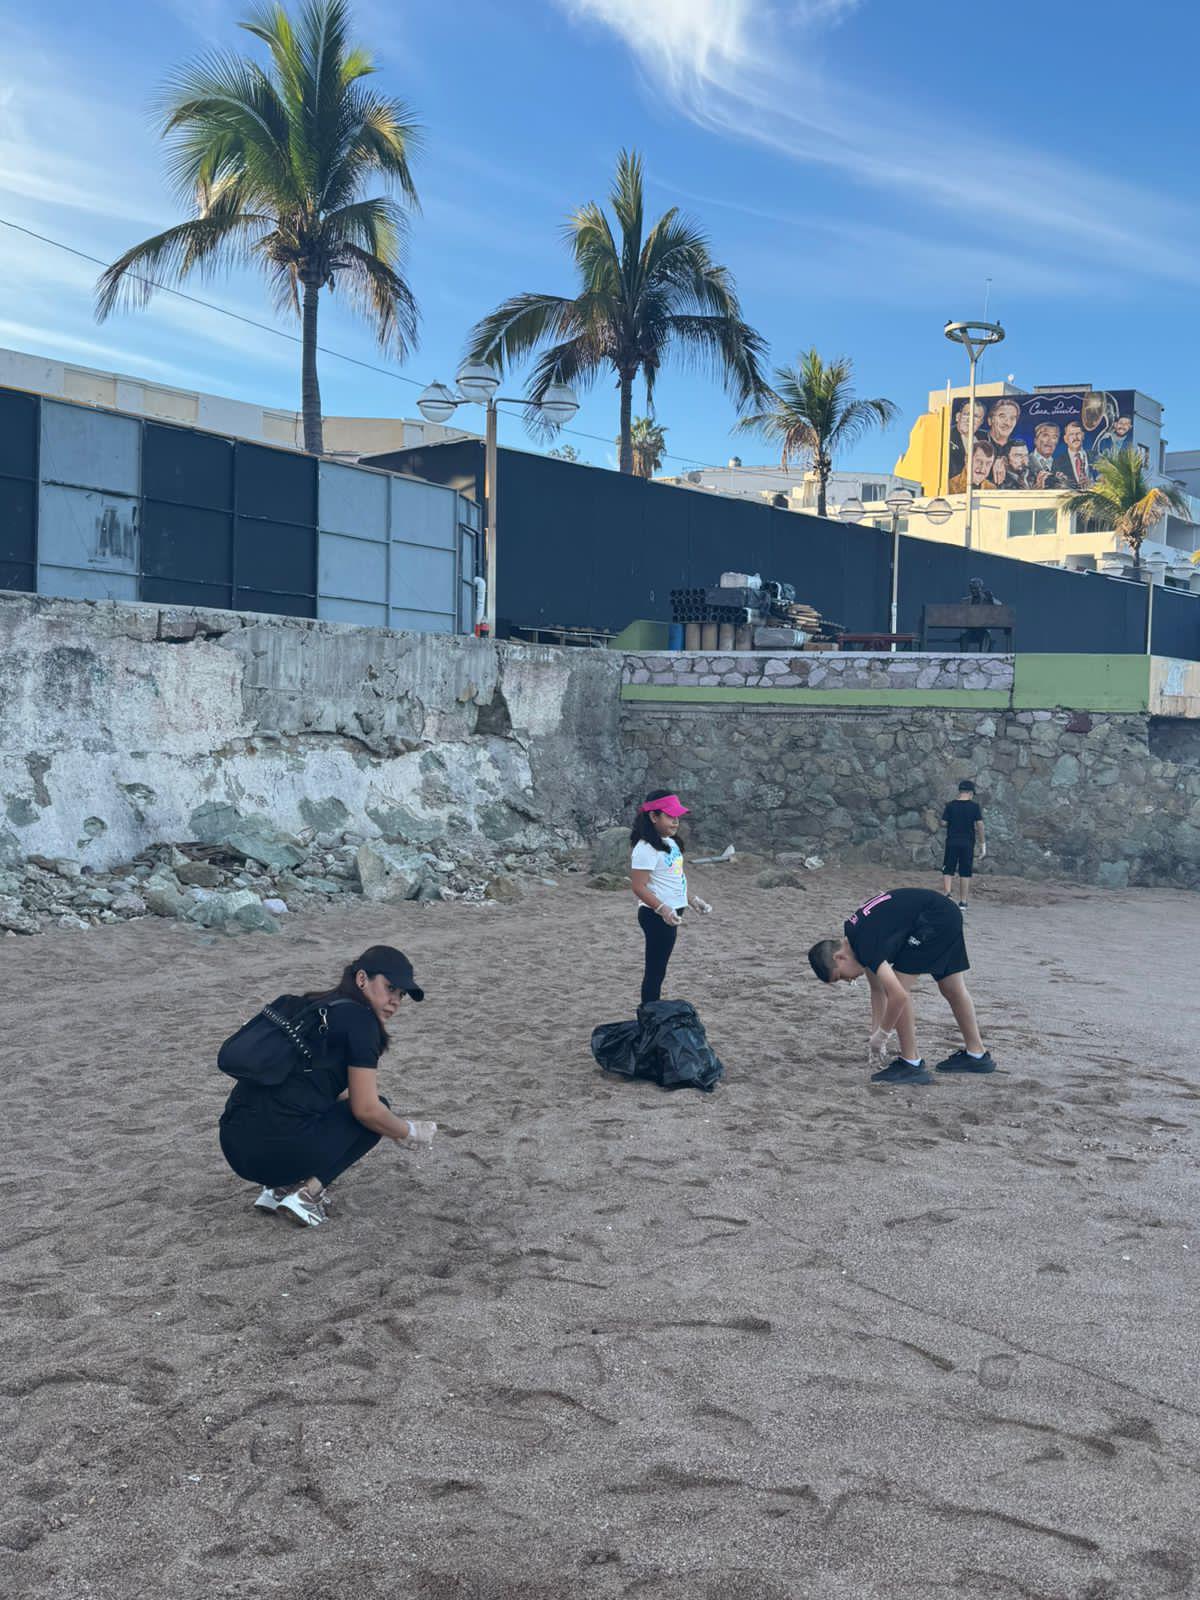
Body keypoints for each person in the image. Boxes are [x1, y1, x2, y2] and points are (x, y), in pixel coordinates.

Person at [218, 945, 435, 1228]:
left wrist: (390, 1127)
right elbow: (366, 1110)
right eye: (390, 987)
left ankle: (278, 1189)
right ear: (361, 979)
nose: (395, 1000)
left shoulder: (308, 1004)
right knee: (377, 1111)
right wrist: (408, 1132)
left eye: (401, 994)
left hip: (233, 1142)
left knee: (347, 1111)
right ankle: (307, 1195)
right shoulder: (363, 1023)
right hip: (272, 1153)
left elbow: (330, 1089)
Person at [807, 888, 996, 1085]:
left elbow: (898, 996)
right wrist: (875, 1041)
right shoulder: (855, 936)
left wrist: (882, 1035)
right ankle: (977, 1056)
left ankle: (911, 1063)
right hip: (944, 913)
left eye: (840, 977)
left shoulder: (864, 943)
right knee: (951, 987)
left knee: (898, 987)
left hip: (932, 920)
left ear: (839, 957)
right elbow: (877, 989)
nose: (848, 980)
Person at [629, 789, 711, 1005]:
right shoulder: (645, 848)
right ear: (653, 817)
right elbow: (638, 887)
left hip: (672, 911)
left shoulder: (671, 842)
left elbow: (675, 878)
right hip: (654, 916)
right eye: (669, 816)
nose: (675, 822)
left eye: (677, 817)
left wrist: (692, 900)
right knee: (655, 972)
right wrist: (662, 909)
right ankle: (649, 1018)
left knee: (659, 970)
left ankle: (651, 1015)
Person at [941, 779, 986, 908]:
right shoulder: (974, 807)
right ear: (971, 793)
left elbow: (943, 823)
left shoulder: (950, 806)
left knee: (948, 869)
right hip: (967, 843)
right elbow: (980, 825)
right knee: (965, 871)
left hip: (952, 841)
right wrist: (983, 844)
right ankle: (963, 902)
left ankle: (948, 894)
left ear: (959, 791)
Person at [961, 576, 1001, 651]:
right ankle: (963, 657)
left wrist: (991, 598)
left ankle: (983, 657)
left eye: (975, 588)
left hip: (983, 629)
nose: (973, 590)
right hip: (970, 629)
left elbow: (1001, 607)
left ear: (981, 588)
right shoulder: (965, 601)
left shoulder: (987, 599)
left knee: (986, 635)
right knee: (964, 635)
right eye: (971, 588)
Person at [1058, 420, 1091, 489]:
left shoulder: (1095, 457)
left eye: (1078, 433)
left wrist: (1092, 484)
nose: (1075, 437)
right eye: (1071, 434)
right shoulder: (1058, 462)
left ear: (1083, 436)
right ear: (1065, 439)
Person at [1029, 423, 1063, 488]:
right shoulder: (1025, 462)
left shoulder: (1061, 465)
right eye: (1045, 435)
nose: (1050, 441)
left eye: (1054, 437)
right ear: (1035, 440)